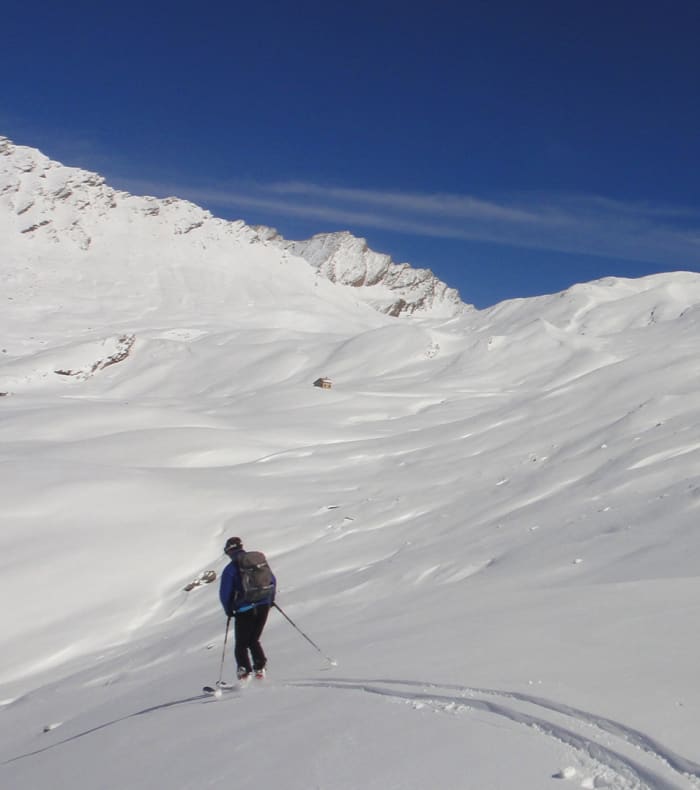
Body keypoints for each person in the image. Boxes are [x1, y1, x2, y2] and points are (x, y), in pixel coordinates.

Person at [219, 536, 276, 680]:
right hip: (263, 605)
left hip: (244, 609)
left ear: (228, 551)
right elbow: (272, 580)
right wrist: (270, 600)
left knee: (241, 644)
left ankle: (244, 672)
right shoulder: (258, 562)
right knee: (254, 640)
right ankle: (260, 667)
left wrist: (228, 609)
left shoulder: (231, 569)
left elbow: (225, 592)